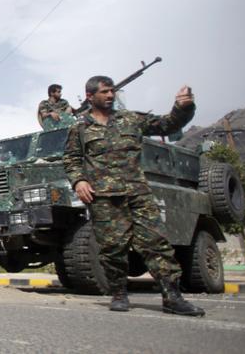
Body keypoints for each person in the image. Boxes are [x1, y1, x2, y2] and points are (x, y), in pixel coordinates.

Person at [62, 76, 204, 316]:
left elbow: (167, 124)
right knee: (112, 249)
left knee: (157, 244)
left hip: (138, 194)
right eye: (105, 91)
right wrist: (79, 180)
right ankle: (119, 293)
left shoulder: (131, 119)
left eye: (112, 91)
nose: (110, 95)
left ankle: (172, 297)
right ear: (90, 96)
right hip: (104, 199)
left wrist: (183, 107)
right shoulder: (80, 128)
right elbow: (71, 159)